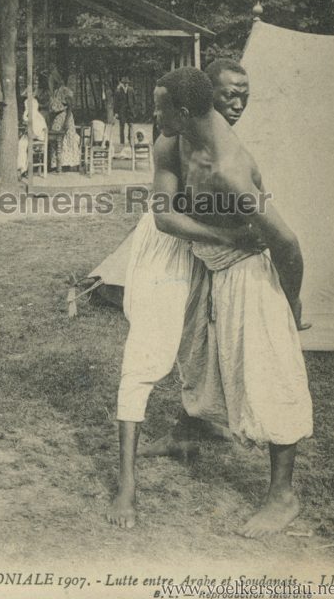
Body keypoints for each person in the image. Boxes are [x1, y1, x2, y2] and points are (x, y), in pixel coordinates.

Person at [130, 68, 312, 537]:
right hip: (205, 260)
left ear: (184, 111)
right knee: (194, 354)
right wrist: (218, 234)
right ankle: (188, 432)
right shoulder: (172, 143)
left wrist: (290, 304)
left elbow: (287, 244)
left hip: (247, 271)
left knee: (269, 373)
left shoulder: (229, 169)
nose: (154, 114)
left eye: (160, 106)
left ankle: (282, 494)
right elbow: (164, 216)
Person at [107, 61, 256, 530]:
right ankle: (127, 484)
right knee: (147, 355)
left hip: (204, 255)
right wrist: (231, 238)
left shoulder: (233, 152)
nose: (234, 104)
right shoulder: (170, 144)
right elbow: (165, 219)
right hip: (166, 254)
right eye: (226, 95)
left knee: (198, 347)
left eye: (241, 95)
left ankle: (184, 432)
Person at [50, 85, 80, 172]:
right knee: (57, 141)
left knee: (66, 140)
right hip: (58, 119)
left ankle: (65, 164)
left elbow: (70, 107)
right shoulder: (55, 93)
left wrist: (66, 121)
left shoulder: (65, 91)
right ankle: (57, 164)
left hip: (65, 118)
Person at [17, 96, 48, 177]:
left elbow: (36, 132)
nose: (26, 108)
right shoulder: (32, 115)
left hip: (38, 139)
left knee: (22, 145)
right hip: (32, 137)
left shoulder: (36, 116)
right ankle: (22, 168)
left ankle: (23, 169)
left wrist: (27, 133)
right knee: (21, 144)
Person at [114, 75, 136, 145]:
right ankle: (122, 142)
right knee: (122, 127)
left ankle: (130, 140)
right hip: (122, 111)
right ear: (122, 83)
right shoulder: (118, 91)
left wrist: (133, 109)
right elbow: (116, 103)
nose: (126, 84)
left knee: (131, 126)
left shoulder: (131, 90)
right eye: (124, 83)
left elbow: (134, 100)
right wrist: (116, 112)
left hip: (130, 111)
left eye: (127, 83)